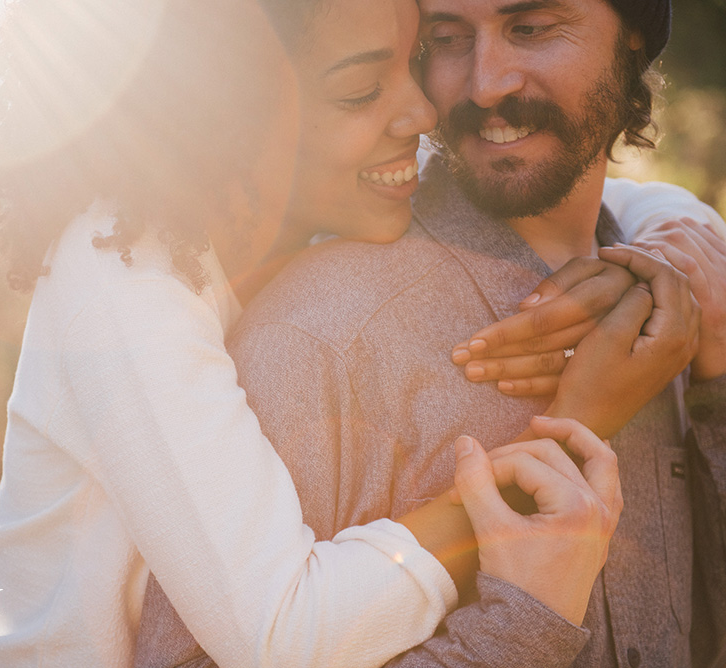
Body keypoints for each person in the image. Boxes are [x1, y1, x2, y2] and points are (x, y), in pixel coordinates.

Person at [133, 0, 726, 665]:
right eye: (447, 38)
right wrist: (521, 625)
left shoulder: (685, 296)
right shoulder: (322, 332)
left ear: (634, 39)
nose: (486, 83)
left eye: (530, 28)